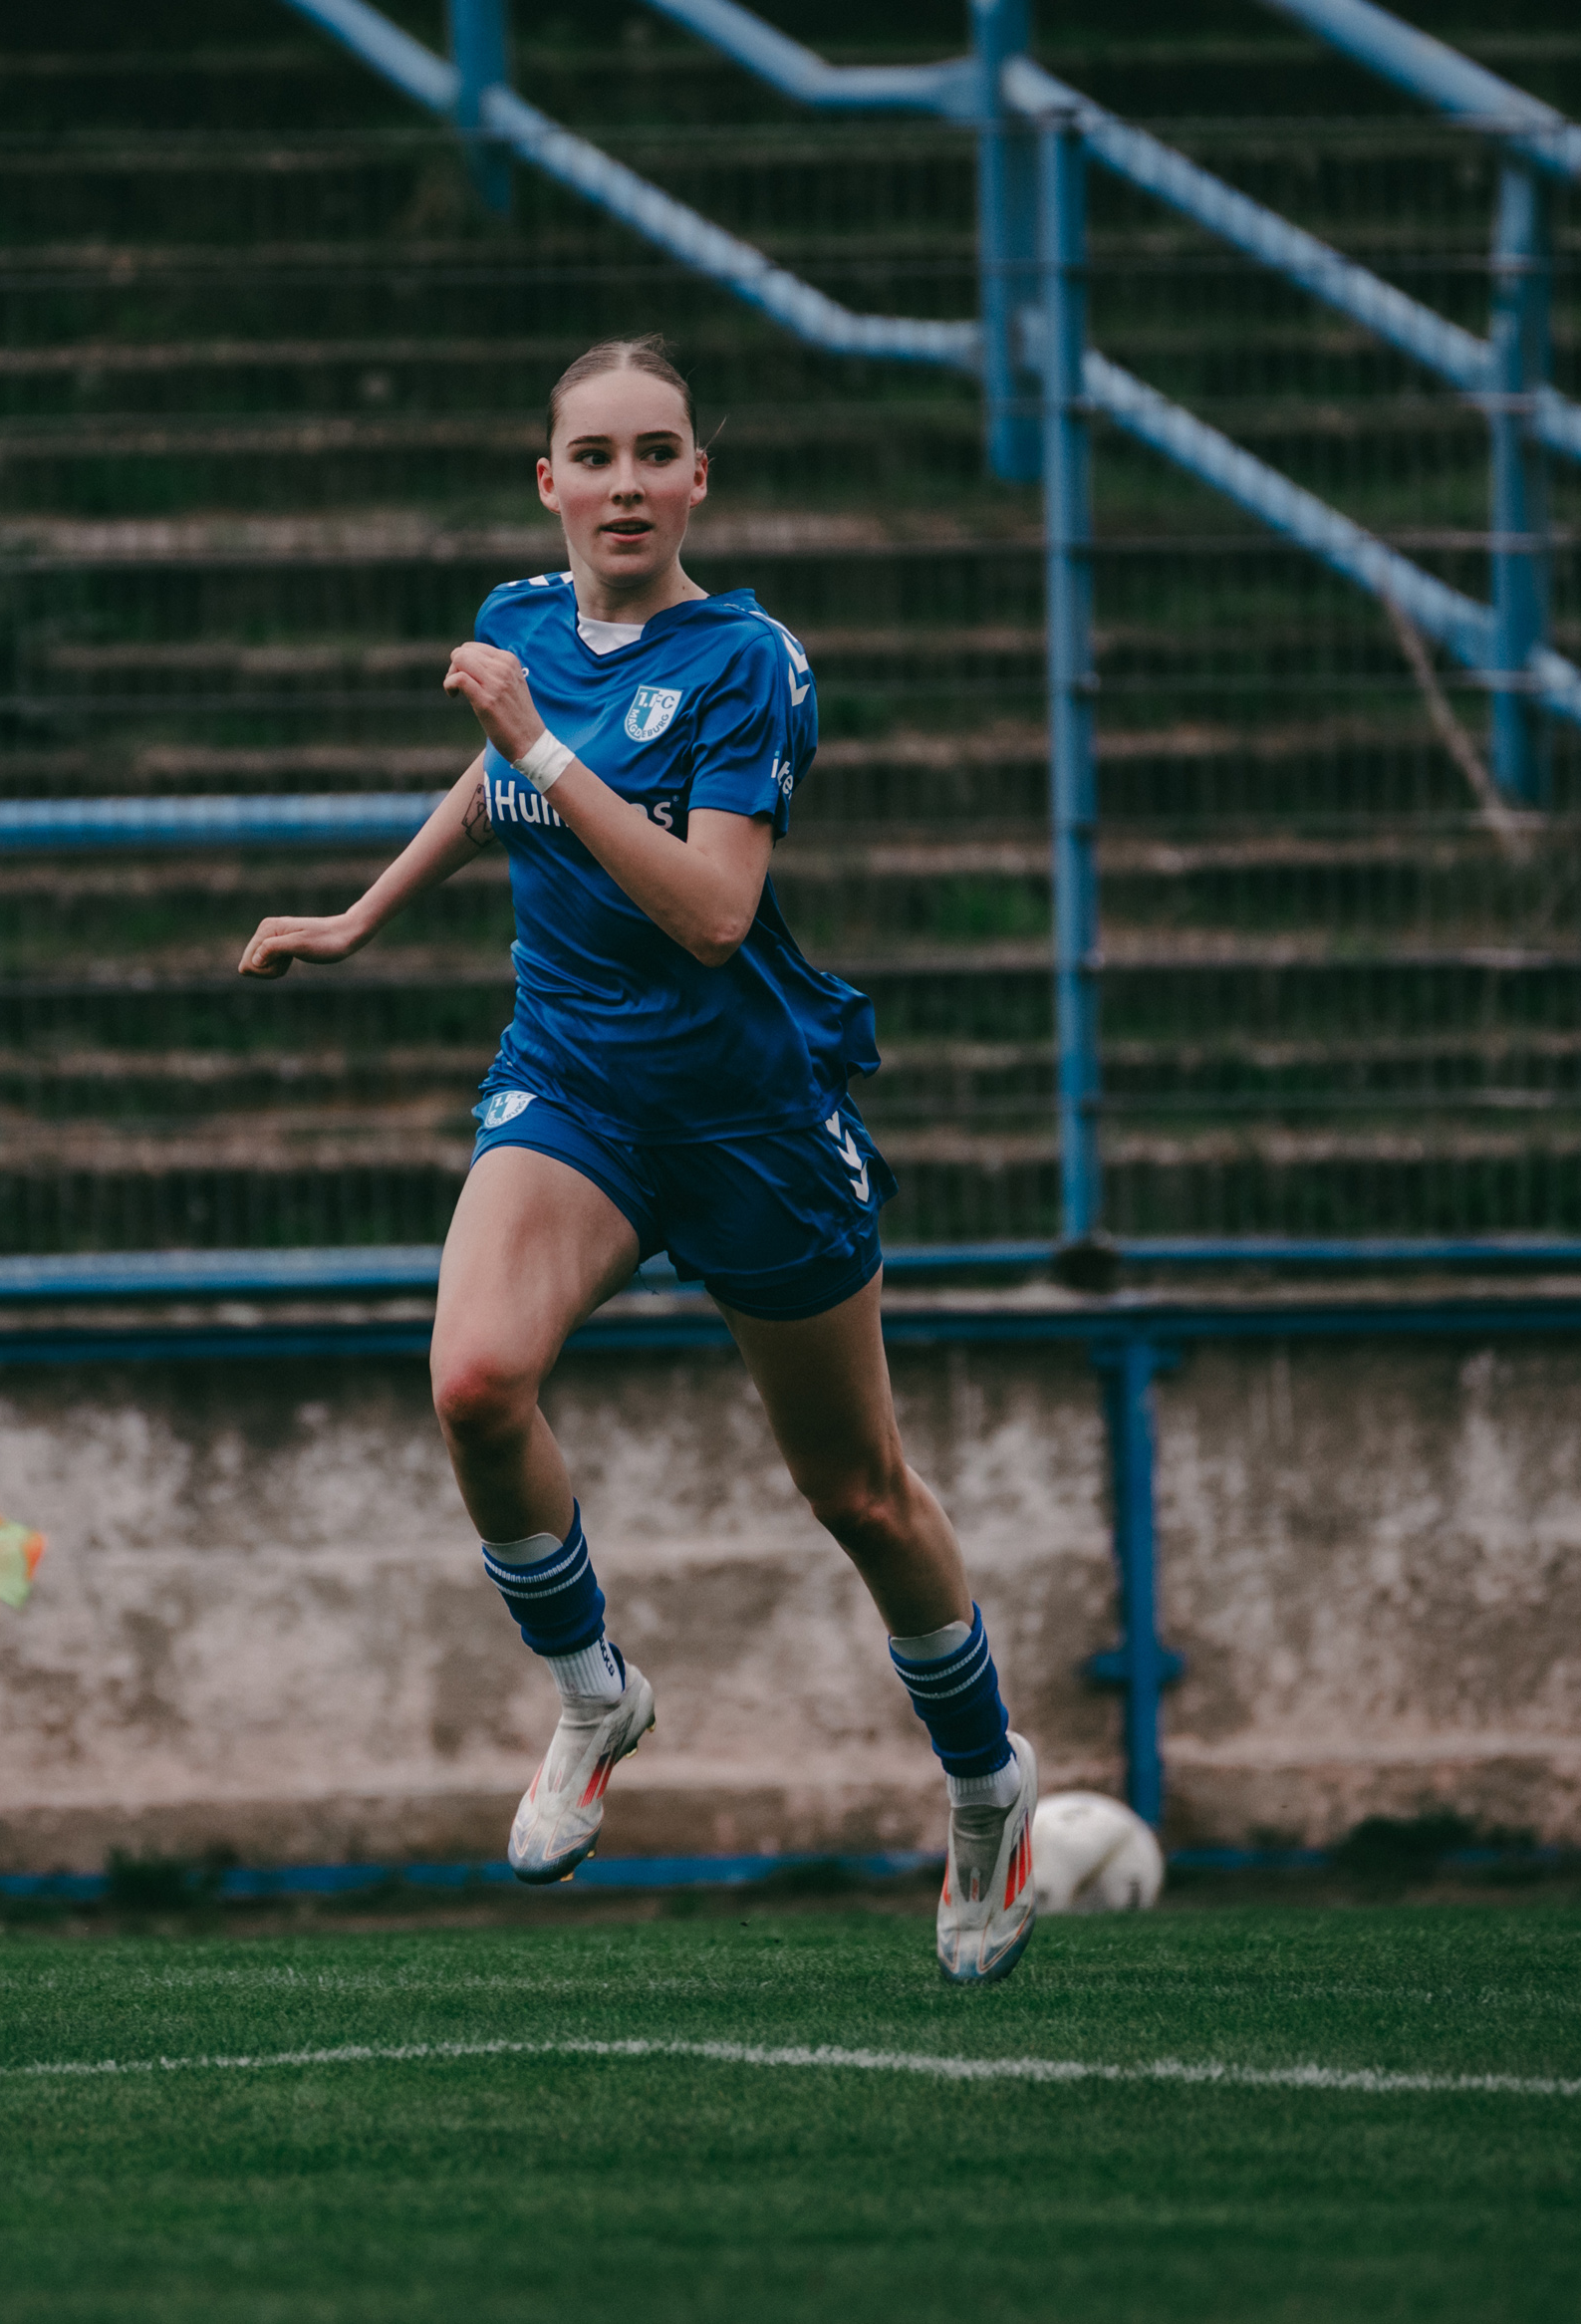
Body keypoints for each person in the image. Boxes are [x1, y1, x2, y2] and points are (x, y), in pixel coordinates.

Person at [235, 338, 1038, 1981]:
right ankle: (597, 1689)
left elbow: (712, 910)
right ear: (550, 480)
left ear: (696, 481)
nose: (621, 483)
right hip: (574, 1091)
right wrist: (362, 916)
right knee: (473, 1381)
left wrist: (541, 746)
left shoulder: (749, 663)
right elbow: (491, 790)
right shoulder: (526, 619)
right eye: (590, 456)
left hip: (750, 1117)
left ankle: (986, 1781)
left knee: (860, 1491)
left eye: (652, 453)